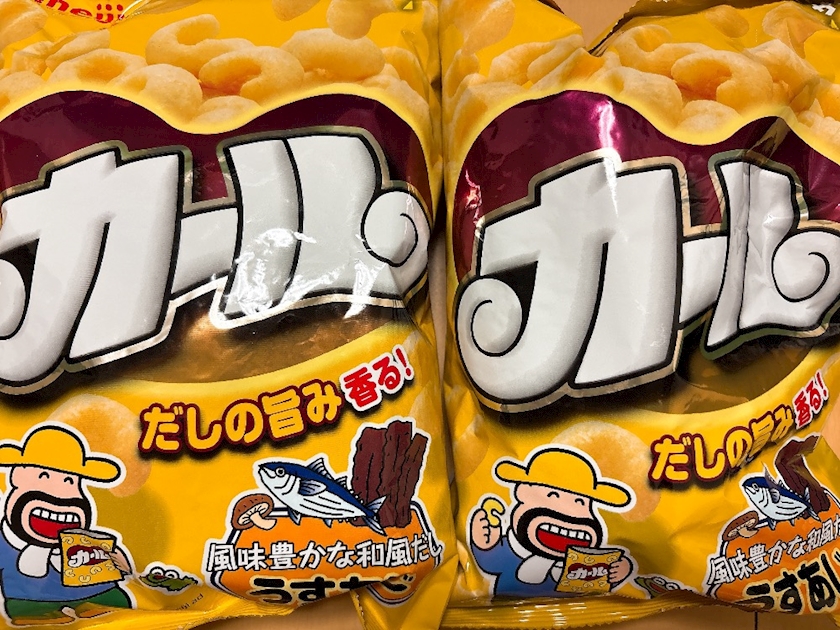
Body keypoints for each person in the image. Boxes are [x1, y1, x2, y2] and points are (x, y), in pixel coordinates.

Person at [0, 424, 133, 625]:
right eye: (44, 477)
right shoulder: (5, 542)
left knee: (115, 603)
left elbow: (121, 564)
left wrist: (120, 562)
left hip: (96, 594)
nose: (59, 496)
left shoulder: (82, 539)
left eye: (70, 481)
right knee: (28, 613)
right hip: (28, 601)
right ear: (17, 476)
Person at [469, 447, 634, 598]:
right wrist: (484, 544)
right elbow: (491, 564)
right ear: (523, 493)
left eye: (580, 502)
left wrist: (620, 571)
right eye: (553, 495)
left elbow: (602, 581)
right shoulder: (512, 549)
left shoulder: (585, 562)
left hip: (585, 609)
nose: (568, 514)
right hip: (504, 609)